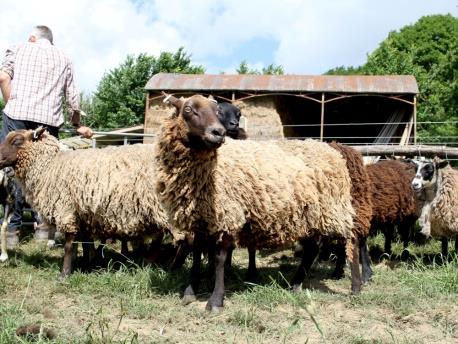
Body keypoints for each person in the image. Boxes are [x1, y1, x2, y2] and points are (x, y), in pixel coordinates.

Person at [0, 25, 93, 248]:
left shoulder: (18, 48)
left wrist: (12, 103)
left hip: (16, 117)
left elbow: (3, 78)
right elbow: (72, 96)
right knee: (46, 175)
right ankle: (44, 227)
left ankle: (12, 230)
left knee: (13, 171)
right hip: (47, 122)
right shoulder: (64, 57)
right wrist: (77, 124)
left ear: (33, 37)